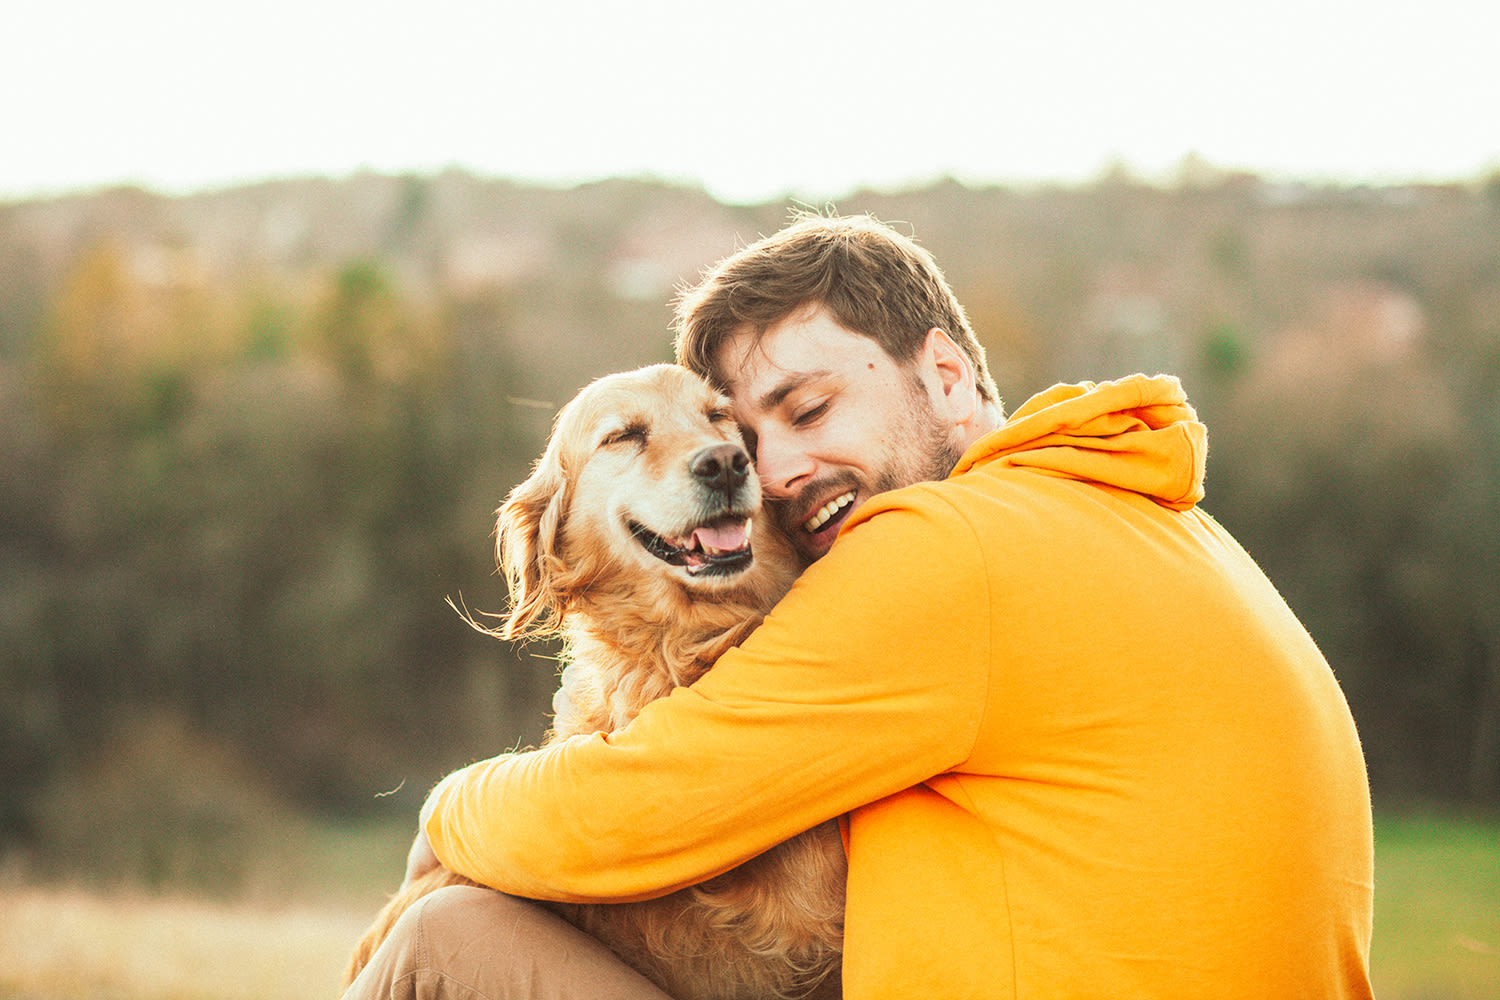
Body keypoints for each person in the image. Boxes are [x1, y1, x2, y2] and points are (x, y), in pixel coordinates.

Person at [347, 214, 1375, 999]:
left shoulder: (947, 547)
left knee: (441, 940)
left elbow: (629, 811)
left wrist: (447, 811)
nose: (773, 468)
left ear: (945, 371)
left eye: (808, 407)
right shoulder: (1143, 517)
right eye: (752, 434)